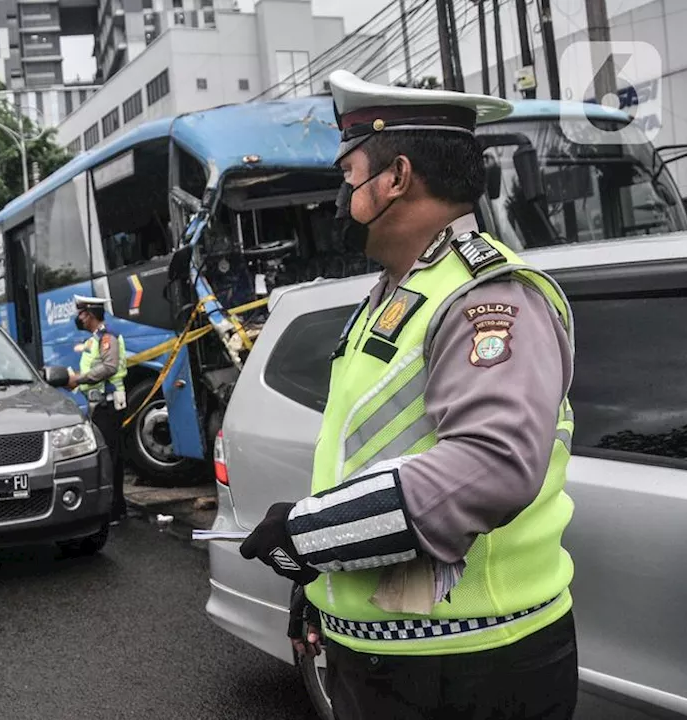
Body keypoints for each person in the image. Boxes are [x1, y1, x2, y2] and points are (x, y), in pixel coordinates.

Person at [237, 70, 578, 720]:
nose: (339, 196)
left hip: (471, 668)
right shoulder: (393, 295)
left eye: (349, 175)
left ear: (395, 177)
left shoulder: (487, 297)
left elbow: (492, 468)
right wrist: (324, 581)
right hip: (392, 663)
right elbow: (369, 456)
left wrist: (311, 536)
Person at [65, 295, 128, 524]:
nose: (78, 318)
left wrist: (79, 379)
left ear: (89, 314)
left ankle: (114, 509)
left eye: (81, 313)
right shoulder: (95, 339)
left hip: (109, 404)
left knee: (110, 457)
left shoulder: (107, 337)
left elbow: (109, 367)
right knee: (109, 455)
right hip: (100, 403)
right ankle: (115, 507)